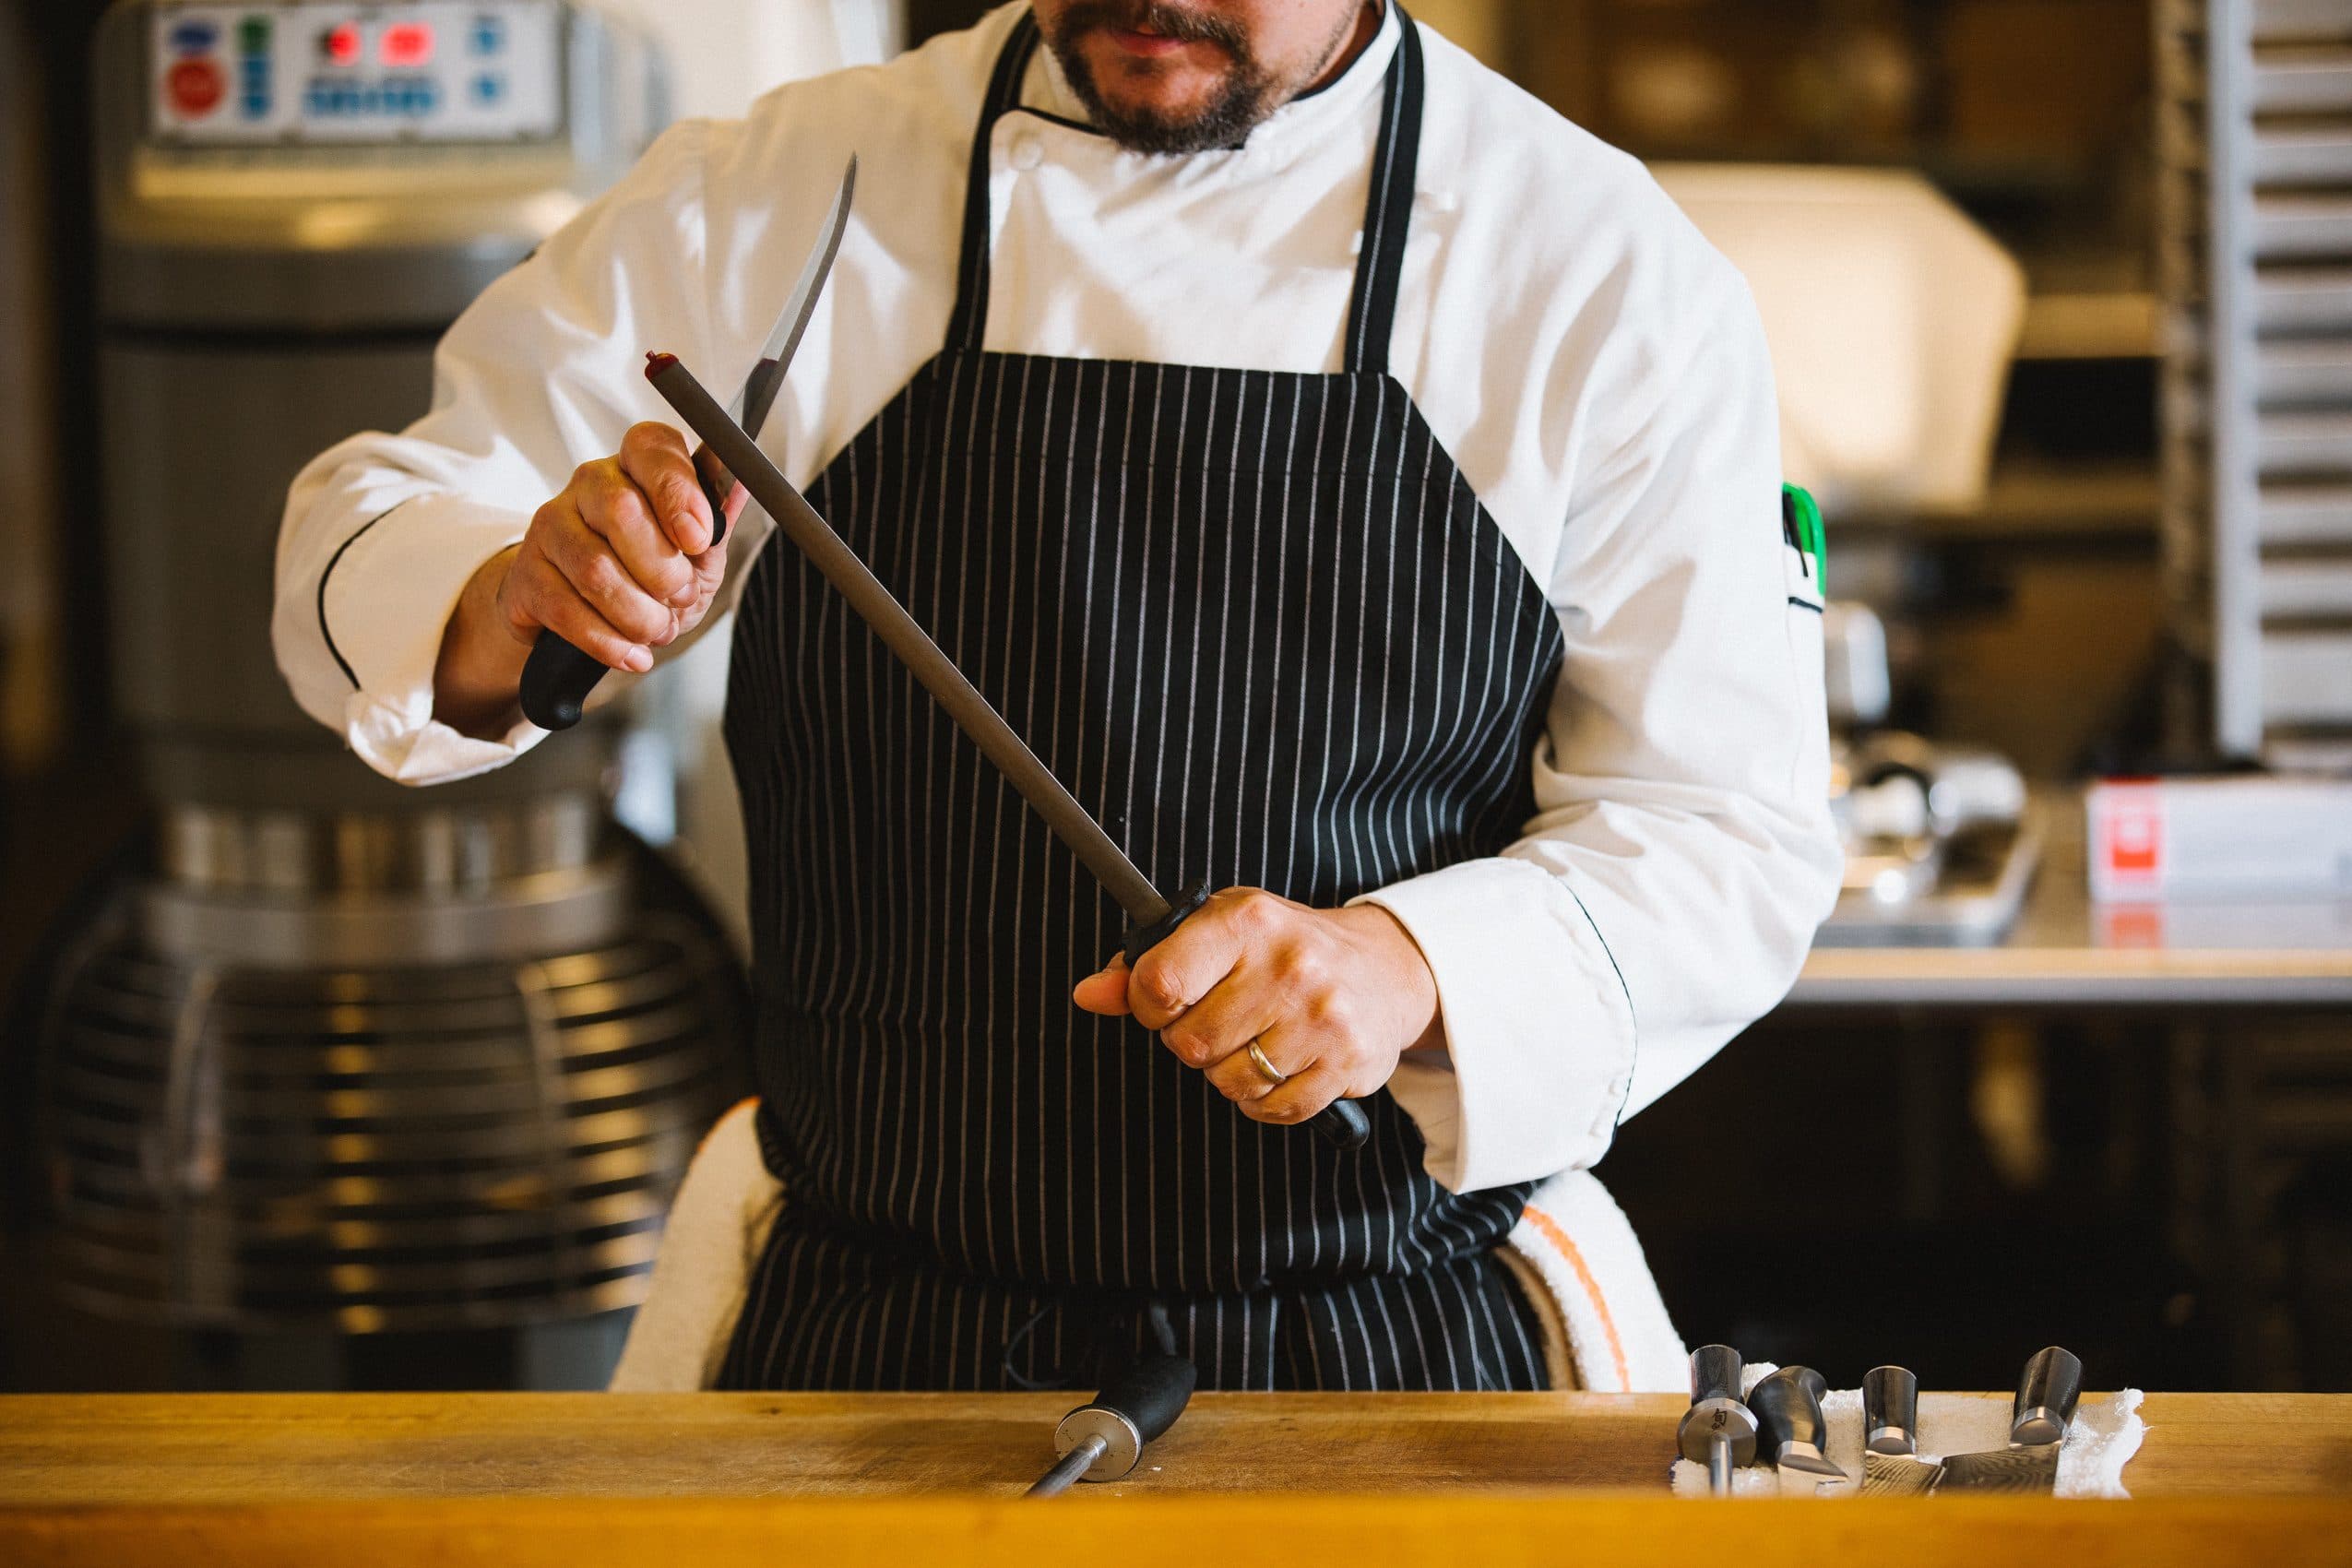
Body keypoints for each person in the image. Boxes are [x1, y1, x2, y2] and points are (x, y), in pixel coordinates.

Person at [275, 0, 1840, 1393]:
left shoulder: (1591, 264)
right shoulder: (788, 190)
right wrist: (512, 592)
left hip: (1387, 1346)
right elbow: (385, 512)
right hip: (861, 1342)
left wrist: (1406, 966)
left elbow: (1724, 831)